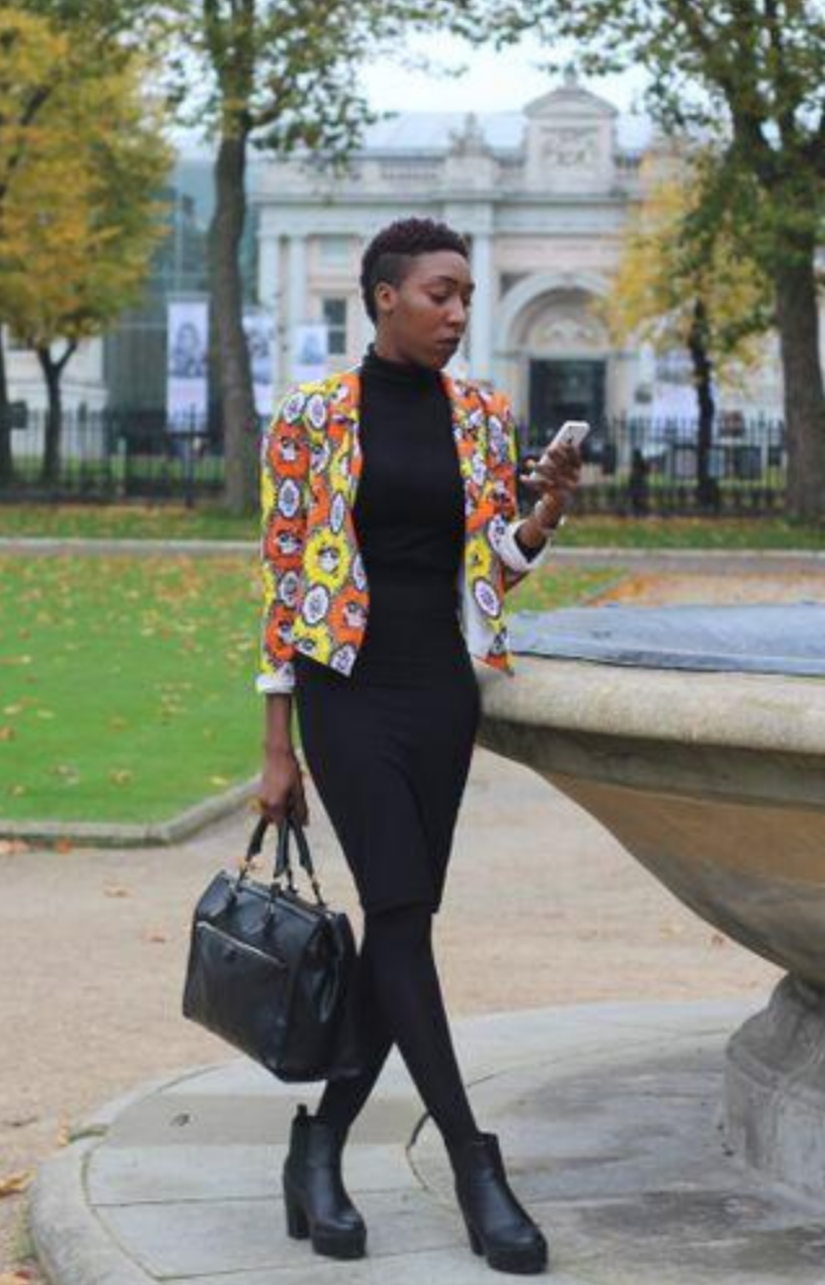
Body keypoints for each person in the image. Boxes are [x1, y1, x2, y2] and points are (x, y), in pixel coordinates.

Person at [255, 217, 582, 1275]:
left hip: (438, 690)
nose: (455, 312)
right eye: (439, 293)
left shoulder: (479, 414)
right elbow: (284, 582)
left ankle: (318, 1148)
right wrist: (276, 749)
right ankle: (473, 1163)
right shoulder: (310, 418)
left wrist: (538, 518)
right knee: (397, 913)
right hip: (342, 690)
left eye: (465, 296)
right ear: (383, 296)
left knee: (399, 930)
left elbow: (491, 561)